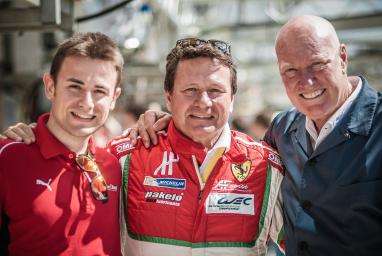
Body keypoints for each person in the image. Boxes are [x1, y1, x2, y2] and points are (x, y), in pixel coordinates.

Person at [107, 15, 382, 256]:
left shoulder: (266, 165)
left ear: (233, 98)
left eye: (215, 90)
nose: (203, 102)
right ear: (169, 97)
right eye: (190, 91)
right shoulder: (284, 132)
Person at [0, 32, 123, 255]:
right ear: (50, 86)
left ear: (114, 98)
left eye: (99, 91)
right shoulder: (8, 158)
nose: (86, 103)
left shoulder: (116, 165)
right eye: (75, 86)